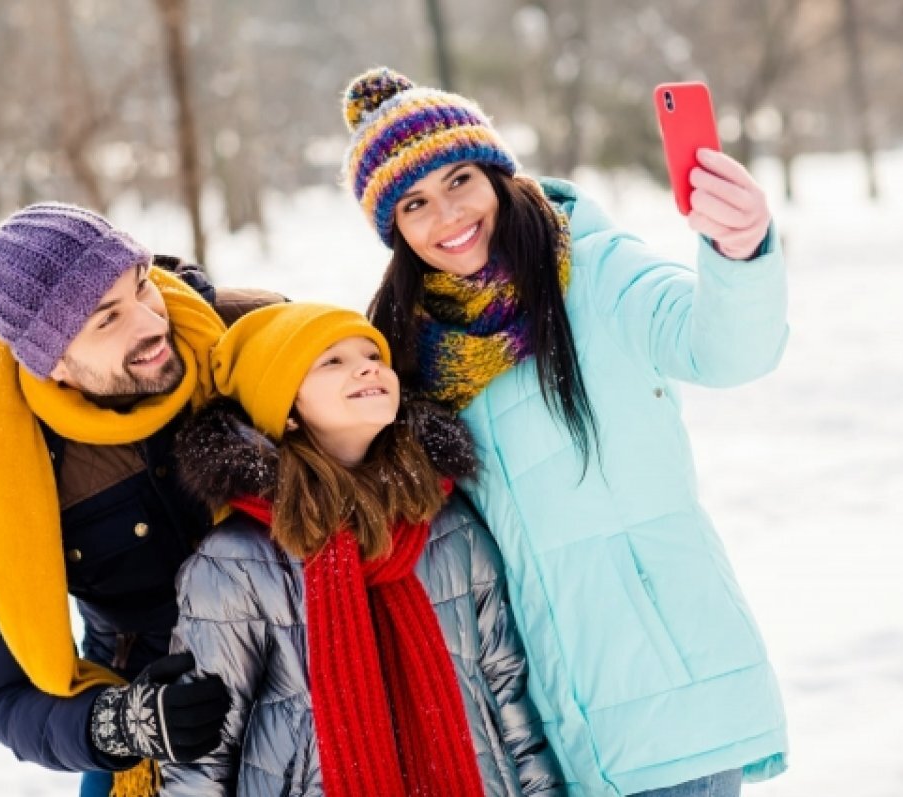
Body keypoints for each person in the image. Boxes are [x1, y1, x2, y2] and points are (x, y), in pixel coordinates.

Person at [338, 67, 790, 797]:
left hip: (674, 695)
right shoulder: (415, 352)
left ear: (495, 172)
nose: (447, 215)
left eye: (459, 180)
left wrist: (741, 252)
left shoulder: (598, 270)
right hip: (550, 722)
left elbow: (726, 348)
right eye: (414, 203)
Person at [155, 302, 565, 796]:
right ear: (284, 411)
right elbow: (202, 756)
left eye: (372, 353)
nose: (368, 366)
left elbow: (507, 694)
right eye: (332, 361)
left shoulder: (448, 527)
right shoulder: (235, 562)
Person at [0, 202, 282, 797]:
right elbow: (7, 695)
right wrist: (124, 722)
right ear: (52, 364)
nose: (152, 323)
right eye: (106, 320)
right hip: (159, 706)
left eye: (142, 287)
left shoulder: (254, 335)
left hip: (313, 655)